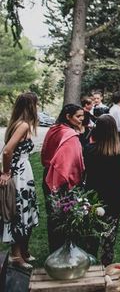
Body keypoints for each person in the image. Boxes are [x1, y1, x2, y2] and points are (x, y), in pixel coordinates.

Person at [0, 92, 39, 270]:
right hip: (20, 174)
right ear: (31, 106)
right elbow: (7, 151)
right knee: (19, 212)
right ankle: (15, 255)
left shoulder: (19, 124)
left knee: (25, 211)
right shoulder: (23, 125)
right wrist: (6, 172)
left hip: (24, 171)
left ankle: (23, 251)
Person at [83, 115, 120, 265]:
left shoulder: (89, 150)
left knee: (91, 236)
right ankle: (107, 267)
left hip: (93, 197)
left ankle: (91, 267)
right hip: (113, 198)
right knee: (109, 238)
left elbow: (85, 172)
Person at [41, 104, 85, 252]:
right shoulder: (70, 135)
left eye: (82, 116)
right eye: (78, 116)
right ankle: (65, 250)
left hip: (48, 175)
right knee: (65, 216)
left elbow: (45, 153)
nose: (81, 119)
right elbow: (73, 163)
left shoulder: (54, 129)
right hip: (64, 180)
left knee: (53, 215)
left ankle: (54, 249)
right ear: (68, 116)